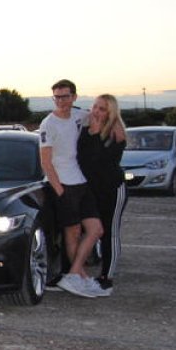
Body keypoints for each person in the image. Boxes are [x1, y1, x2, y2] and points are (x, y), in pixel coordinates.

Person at [39, 78, 105, 298]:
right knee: (73, 231)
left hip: (81, 182)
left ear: (74, 97)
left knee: (96, 229)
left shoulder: (79, 116)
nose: (60, 100)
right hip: (63, 184)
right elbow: (46, 162)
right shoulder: (49, 124)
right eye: (56, 96)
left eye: (65, 96)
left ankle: (75, 273)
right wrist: (59, 190)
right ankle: (80, 277)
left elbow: (98, 118)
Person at [77, 94, 127, 294]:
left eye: (102, 109)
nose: (96, 112)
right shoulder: (85, 130)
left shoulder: (116, 132)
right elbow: (82, 158)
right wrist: (92, 132)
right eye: (95, 107)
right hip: (91, 189)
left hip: (112, 189)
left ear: (111, 112)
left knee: (109, 231)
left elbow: (102, 160)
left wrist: (97, 134)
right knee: (90, 230)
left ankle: (107, 276)